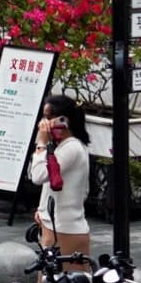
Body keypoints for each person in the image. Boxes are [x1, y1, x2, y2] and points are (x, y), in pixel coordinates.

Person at [32, 99, 93, 260]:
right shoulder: (63, 146)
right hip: (55, 226)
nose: (42, 123)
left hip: (64, 230)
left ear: (63, 120)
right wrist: (42, 209)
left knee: (63, 275)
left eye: (47, 117)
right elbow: (52, 180)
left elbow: (38, 176)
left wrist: (41, 143)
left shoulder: (71, 148)